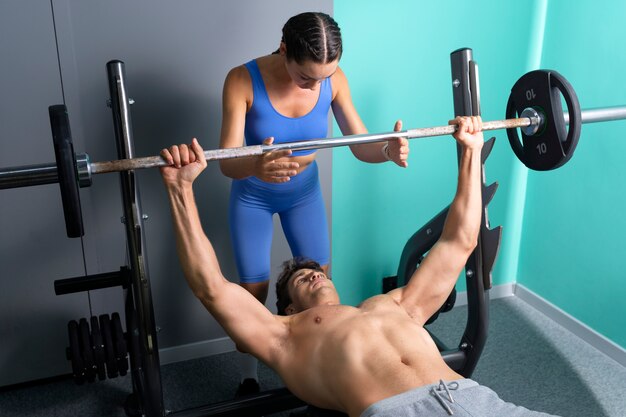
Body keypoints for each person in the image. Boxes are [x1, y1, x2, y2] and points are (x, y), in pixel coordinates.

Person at [160, 116, 559, 417]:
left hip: (476, 399)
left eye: (316, 271)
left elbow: (459, 242)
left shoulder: (395, 305)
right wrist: (180, 189)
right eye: (300, 279)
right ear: (290, 308)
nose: (314, 273)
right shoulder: (284, 336)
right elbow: (211, 287)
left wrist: (471, 150)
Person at [217, 11, 409, 392]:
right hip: (252, 197)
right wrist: (255, 163)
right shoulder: (242, 79)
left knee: (320, 289)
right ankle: (249, 377)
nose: (314, 85)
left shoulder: (332, 79)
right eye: (306, 76)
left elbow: (360, 145)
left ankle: (319, 368)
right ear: (284, 49)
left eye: (323, 77)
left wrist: (386, 149)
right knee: (252, 296)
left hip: (303, 194)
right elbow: (225, 163)